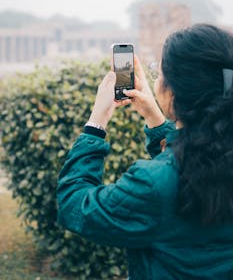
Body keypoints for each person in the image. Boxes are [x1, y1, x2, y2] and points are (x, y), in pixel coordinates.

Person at [57, 24, 233, 279]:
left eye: (158, 73)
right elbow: (196, 153)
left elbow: (76, 205)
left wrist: (97, 121)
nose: (156, 80)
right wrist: (154, 116)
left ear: (171, 91)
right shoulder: (217, 153)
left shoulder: (153, 184)